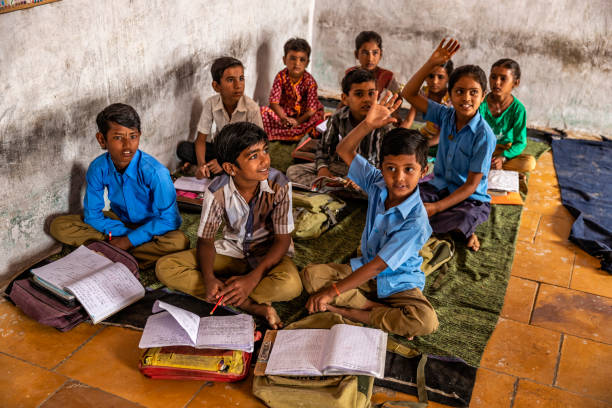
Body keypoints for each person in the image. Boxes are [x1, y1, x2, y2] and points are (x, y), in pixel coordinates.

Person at [302, 93, 438, 339]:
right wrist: (367, 124)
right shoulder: (377, 183)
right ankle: (376, 310)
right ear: (381, 167)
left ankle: (350, 310)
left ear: (423, 170)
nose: (399, 178)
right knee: (311, 276)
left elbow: (378, 266)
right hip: (363, 268)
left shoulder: (416, 221)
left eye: (409, 170)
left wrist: (331, 292)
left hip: (398, 282)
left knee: (425, 321)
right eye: (391, 169)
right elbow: (344, 149)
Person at [156, 122, 302, 328]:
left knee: (291, 285)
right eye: (254, 156)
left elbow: (282, 240)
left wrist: (252, 278)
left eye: (265, 151)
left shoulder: (279, 185)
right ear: (230, 168)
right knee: (166, 267)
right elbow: (206, 240)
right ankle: (249, 303)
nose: (265, 160)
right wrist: (208, 278)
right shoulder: (217, 191)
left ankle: (232, 289)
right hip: (232, 251)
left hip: (268, 255)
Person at [50, 103, 189, 268]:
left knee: (178, 243)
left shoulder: (155, 173)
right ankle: (127, 254)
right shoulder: (98, 168)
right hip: (119, 222)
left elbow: (170, 220)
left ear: (139, 135)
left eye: (133, 136)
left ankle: (107, 250)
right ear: (102, 140)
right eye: (118, 137)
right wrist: (124, 236)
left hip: (153, 227)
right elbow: (92, 215)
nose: (127, 145)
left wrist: (129, 240)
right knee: (59, 226)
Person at [401, 39, 496, 251]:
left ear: (483, 97)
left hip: (469, 199)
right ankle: (453, 229)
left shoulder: (484, 135)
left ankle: (462, 229)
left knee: (464, 216)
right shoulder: (445, 115)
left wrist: (436, 207)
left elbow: (472, 185)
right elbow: (408, 94)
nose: (466, 98)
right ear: (450, 94)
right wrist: (431, 63)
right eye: (460, 91)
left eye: (474, 92)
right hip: (439, 187)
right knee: (402, 198)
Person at [286, 68, 391, 189]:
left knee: (382, 188)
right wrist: (323, 169)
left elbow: (382, 163)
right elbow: (324, 148)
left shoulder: (382, 123)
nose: (367, 99)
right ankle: (339, 188)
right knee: (293, 171)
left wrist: (361, 177)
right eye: (359, 94)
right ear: (345, 98)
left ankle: (335, 189)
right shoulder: (338, 117)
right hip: (341, 167)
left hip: (369, 172)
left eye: (371, 93)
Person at [176, 56, 263, 179]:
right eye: (230, 80)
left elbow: (258, 146)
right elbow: (200, 140)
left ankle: (218, 170)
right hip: (220, 149)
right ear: (216, 86)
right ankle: (209, 170)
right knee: (183, 149)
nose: (238, 85)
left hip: (244, 153)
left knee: (250, 164)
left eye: (241, 78)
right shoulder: (211, 103)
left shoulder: (251, 108)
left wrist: (223, 162)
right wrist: (202, 165)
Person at [260, 38, 325, 141]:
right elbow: (274, 102)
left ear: (307, 63)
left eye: (302, 60)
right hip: (284, 114)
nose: (297, 63)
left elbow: (311, 110)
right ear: (284, 60)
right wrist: (283, 118)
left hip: (303, 117)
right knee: (262, 111)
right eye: (292, 58)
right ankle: (292, 131)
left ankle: (294, 130)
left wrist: (298, 121)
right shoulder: (281, 77)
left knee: (316, 117)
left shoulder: (310, 82)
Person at [480, 58, 535, 172]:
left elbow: (520, 142)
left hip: (503, 149)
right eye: (493, 77)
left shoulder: (518, 109)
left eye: (503, 79)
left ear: (516, 83)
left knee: (529, 163)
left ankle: (491, 165)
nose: (496, 82)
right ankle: (489, 165)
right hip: (481, 147)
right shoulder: (480, 102)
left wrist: (503, 157)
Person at [402, 60, 454, 148]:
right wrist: (397, 136)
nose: (434, 81)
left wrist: (421, 146)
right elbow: (408, 120)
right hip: (426, 135)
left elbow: (442, 135)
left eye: (440, 77)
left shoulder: (451, 98)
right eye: (431, 76)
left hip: (445, 139)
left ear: (448, 78)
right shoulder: (422, 93)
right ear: (425, 77)